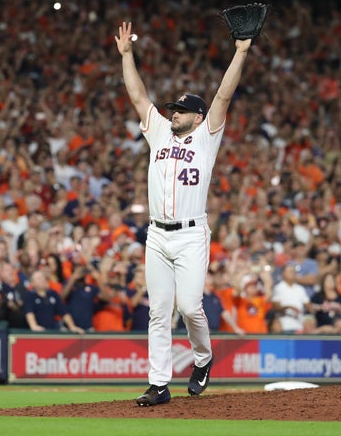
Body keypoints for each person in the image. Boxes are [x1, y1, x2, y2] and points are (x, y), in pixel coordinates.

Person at [116, 21, 253, 406]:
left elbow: (224, 96)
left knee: (190, 307)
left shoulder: (206, 136)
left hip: (192, 233)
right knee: (159, 311)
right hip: (157, 234)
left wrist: (241, 52)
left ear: (196, 117)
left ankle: (203, 359)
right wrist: (127, 56)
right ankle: (159, 384)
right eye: (174, 110)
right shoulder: (159, 132)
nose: (173, 114)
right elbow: (138, 96)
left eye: (181, 111)